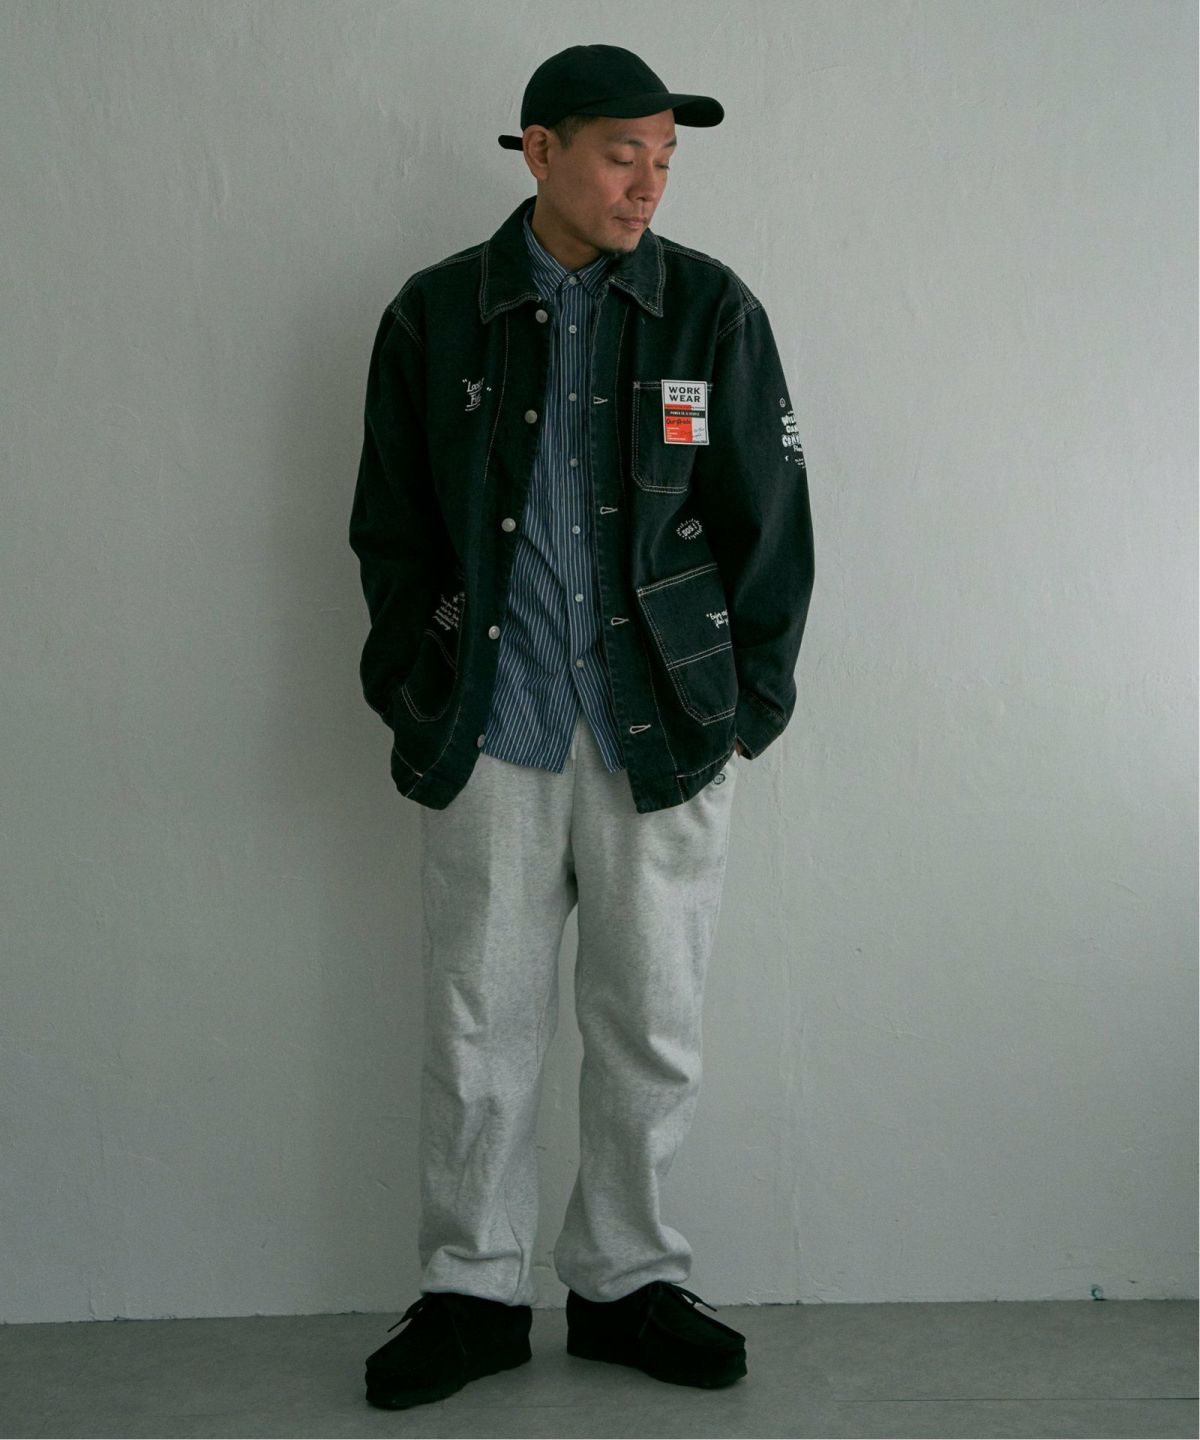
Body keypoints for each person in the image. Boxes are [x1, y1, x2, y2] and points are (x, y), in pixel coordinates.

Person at [349, 43, 815, 1412]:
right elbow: (390, 528)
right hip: (492, 728)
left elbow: (770, 522)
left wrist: (747, 709)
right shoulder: (437, 315)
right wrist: (415, 686)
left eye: (665, 158)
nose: (649, 183)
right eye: (624, 154)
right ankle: (472, 1292)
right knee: (475, 1028)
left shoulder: (709, 311)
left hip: (660, 731)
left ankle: (627, 1282)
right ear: (540, 151)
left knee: (650, 1025)